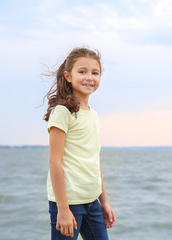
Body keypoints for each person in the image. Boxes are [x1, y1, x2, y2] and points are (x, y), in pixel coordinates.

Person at [43, 47, 116, 240]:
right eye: (82, 71)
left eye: (95, 72)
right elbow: (54, 163)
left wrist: (104, 202)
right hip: (69, 202)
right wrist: (63, 209)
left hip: (92, 200)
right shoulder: (62, 112)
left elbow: (94, 161)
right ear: (68, 76)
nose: (89, 77)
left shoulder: (93, 115)